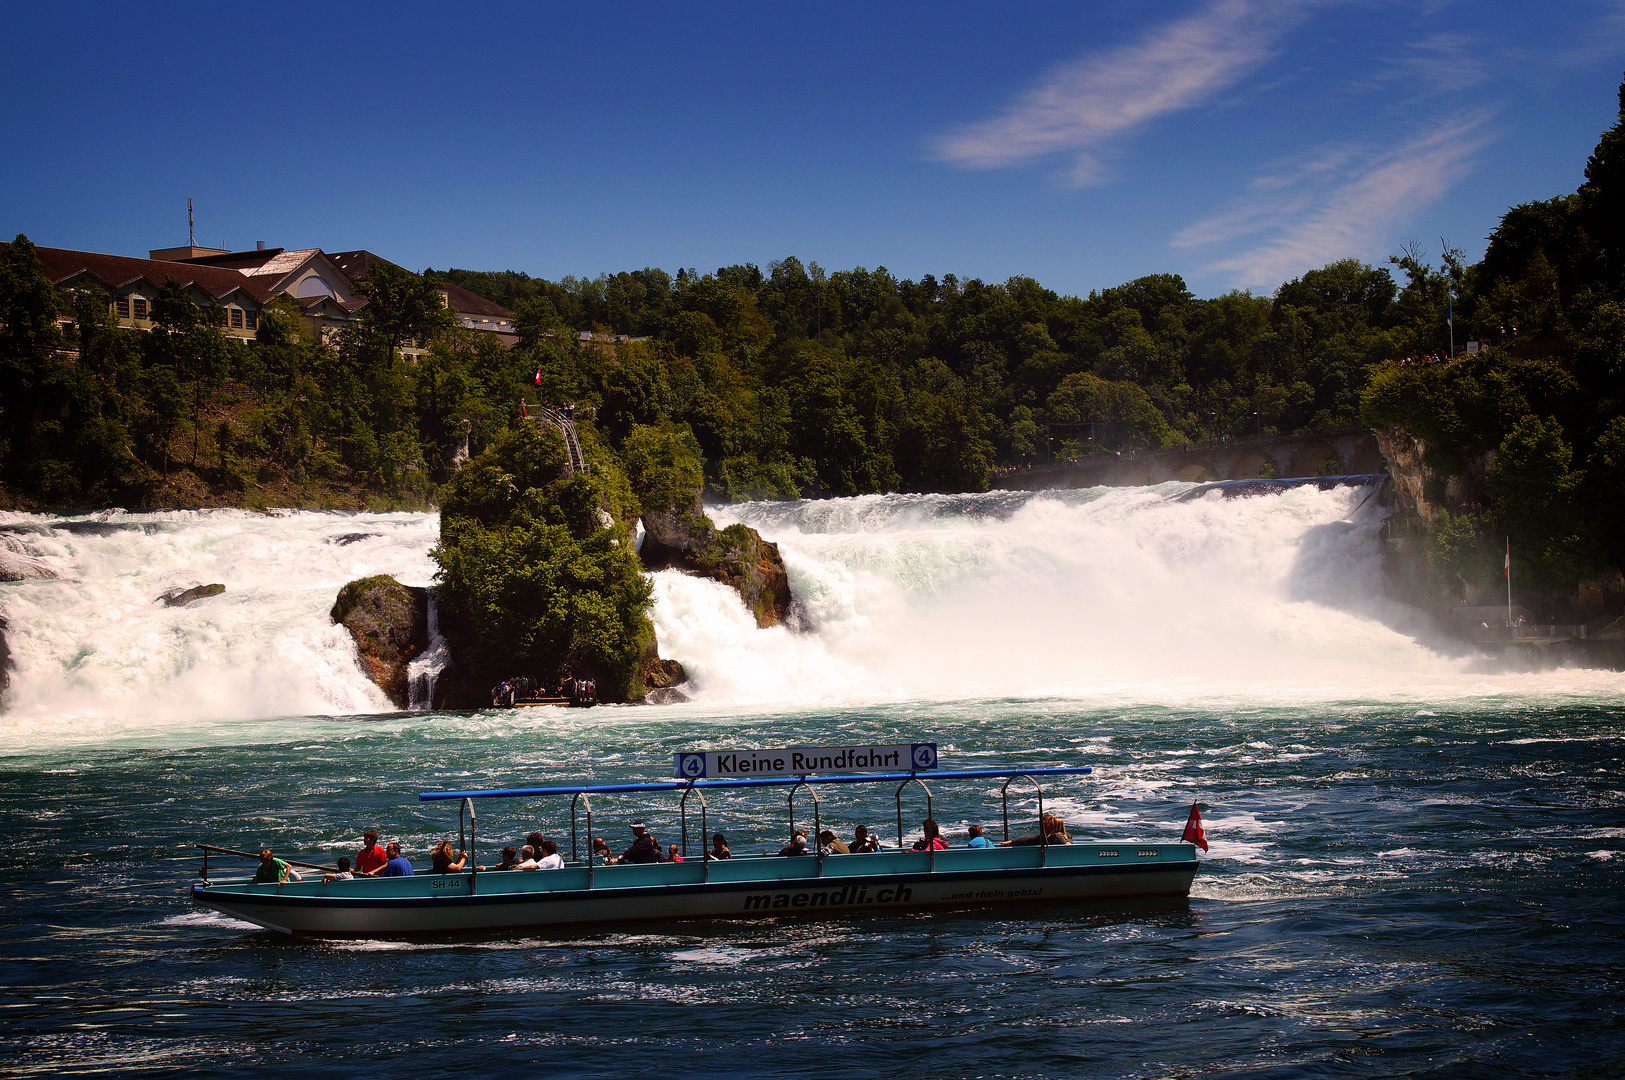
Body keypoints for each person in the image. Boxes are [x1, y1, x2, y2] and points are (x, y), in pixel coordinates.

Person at [1000, 814, 1069, 847]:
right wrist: (1012, 842)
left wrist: (1068, 843)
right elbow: (1030, 839)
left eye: (1049, 823)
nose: (1044, 825)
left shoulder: (1057, 837)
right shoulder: (1047, 836)